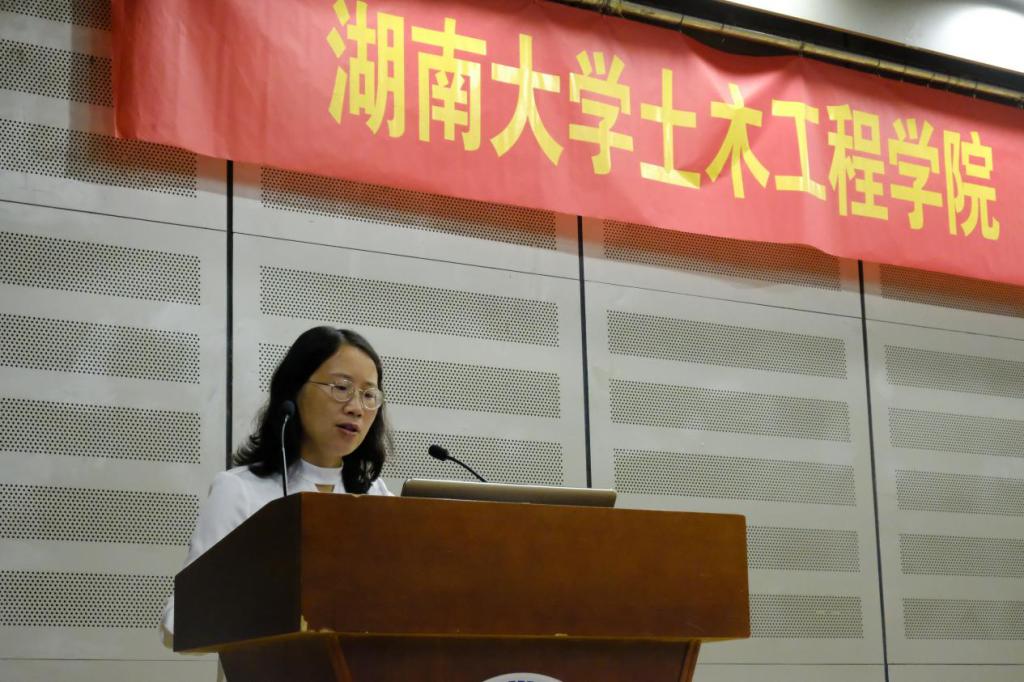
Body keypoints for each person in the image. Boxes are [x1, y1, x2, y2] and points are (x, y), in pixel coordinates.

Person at [161, 326, 394, 644]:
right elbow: (180, 621)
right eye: (341, 388)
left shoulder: (377, 496)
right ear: (293, 390)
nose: (356, 407)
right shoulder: (240, 491)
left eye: (369, 395)